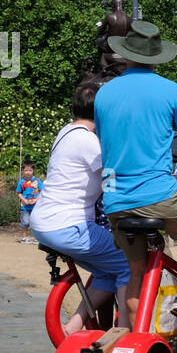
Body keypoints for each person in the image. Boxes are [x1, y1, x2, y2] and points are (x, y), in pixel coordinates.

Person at [93, 20, 177, 328]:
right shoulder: (171, 91)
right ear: (156, 56)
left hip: (115, 201)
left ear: (126, 54)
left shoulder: (103, 95)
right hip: (157, 195)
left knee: (135, 273)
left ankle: (137, 338)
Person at [30, 76, 131, 334]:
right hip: (67, 224)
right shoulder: (89, 142)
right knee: (128, 262)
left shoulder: (66, 132)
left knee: (108, 273)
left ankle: (72, 327)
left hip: (46, 221)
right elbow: (111, 181)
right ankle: (122, 333)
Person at [17, 163, 43, 244]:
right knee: (25, 222)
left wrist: (36, 199)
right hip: (25, 206)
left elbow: (42, 191)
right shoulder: (21, 182)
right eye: (26, 170)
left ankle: (37, 238)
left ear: (33, 171)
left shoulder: (37, 181)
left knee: (36, 223)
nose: (28, 172)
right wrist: (23, 200)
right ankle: (24, 238)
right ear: (23, 171)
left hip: (35, 206)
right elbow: (19, 193)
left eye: (30, 170)